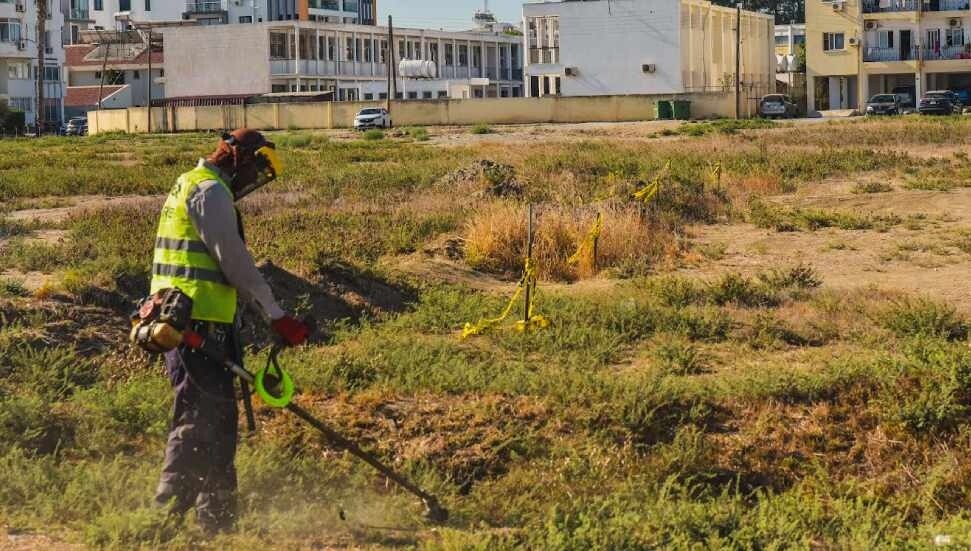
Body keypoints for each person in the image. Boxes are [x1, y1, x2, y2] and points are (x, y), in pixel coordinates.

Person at [149, 129, 309, 534]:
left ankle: (217, 522)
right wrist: (275, 315)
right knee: (197, 419)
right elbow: (234, 262)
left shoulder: (191, 183)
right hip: (193, 325)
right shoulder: (209, 192)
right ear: (238, 159)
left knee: (219, 423)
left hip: (206, 323)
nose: (252, 181)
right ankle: (160, 522)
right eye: (255, 169)